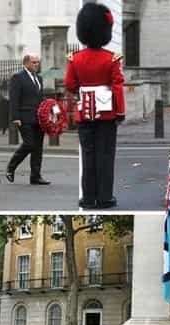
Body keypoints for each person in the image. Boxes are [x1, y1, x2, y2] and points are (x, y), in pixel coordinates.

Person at [65, 2, 125, 209]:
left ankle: (88, 198)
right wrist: (120, 112)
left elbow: (70, 85)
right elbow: (117, 87)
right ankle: (104, 197)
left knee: (88, 156)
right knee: (105, 156)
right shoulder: (111, 59)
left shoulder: (75, 59)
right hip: (107, 115)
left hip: (85, 114)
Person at [6, 53, 50, 186]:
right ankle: (11, 167)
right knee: (29, 144)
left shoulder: (39, 78)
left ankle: (35, 176)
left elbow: (40, 98)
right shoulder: (18, 77)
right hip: (24, 117)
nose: (37, 65)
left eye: (38, 62)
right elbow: (14, 98)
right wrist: (15, 117)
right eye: (34, 62)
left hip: (38, 118)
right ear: (26, 63)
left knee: (38, 148)